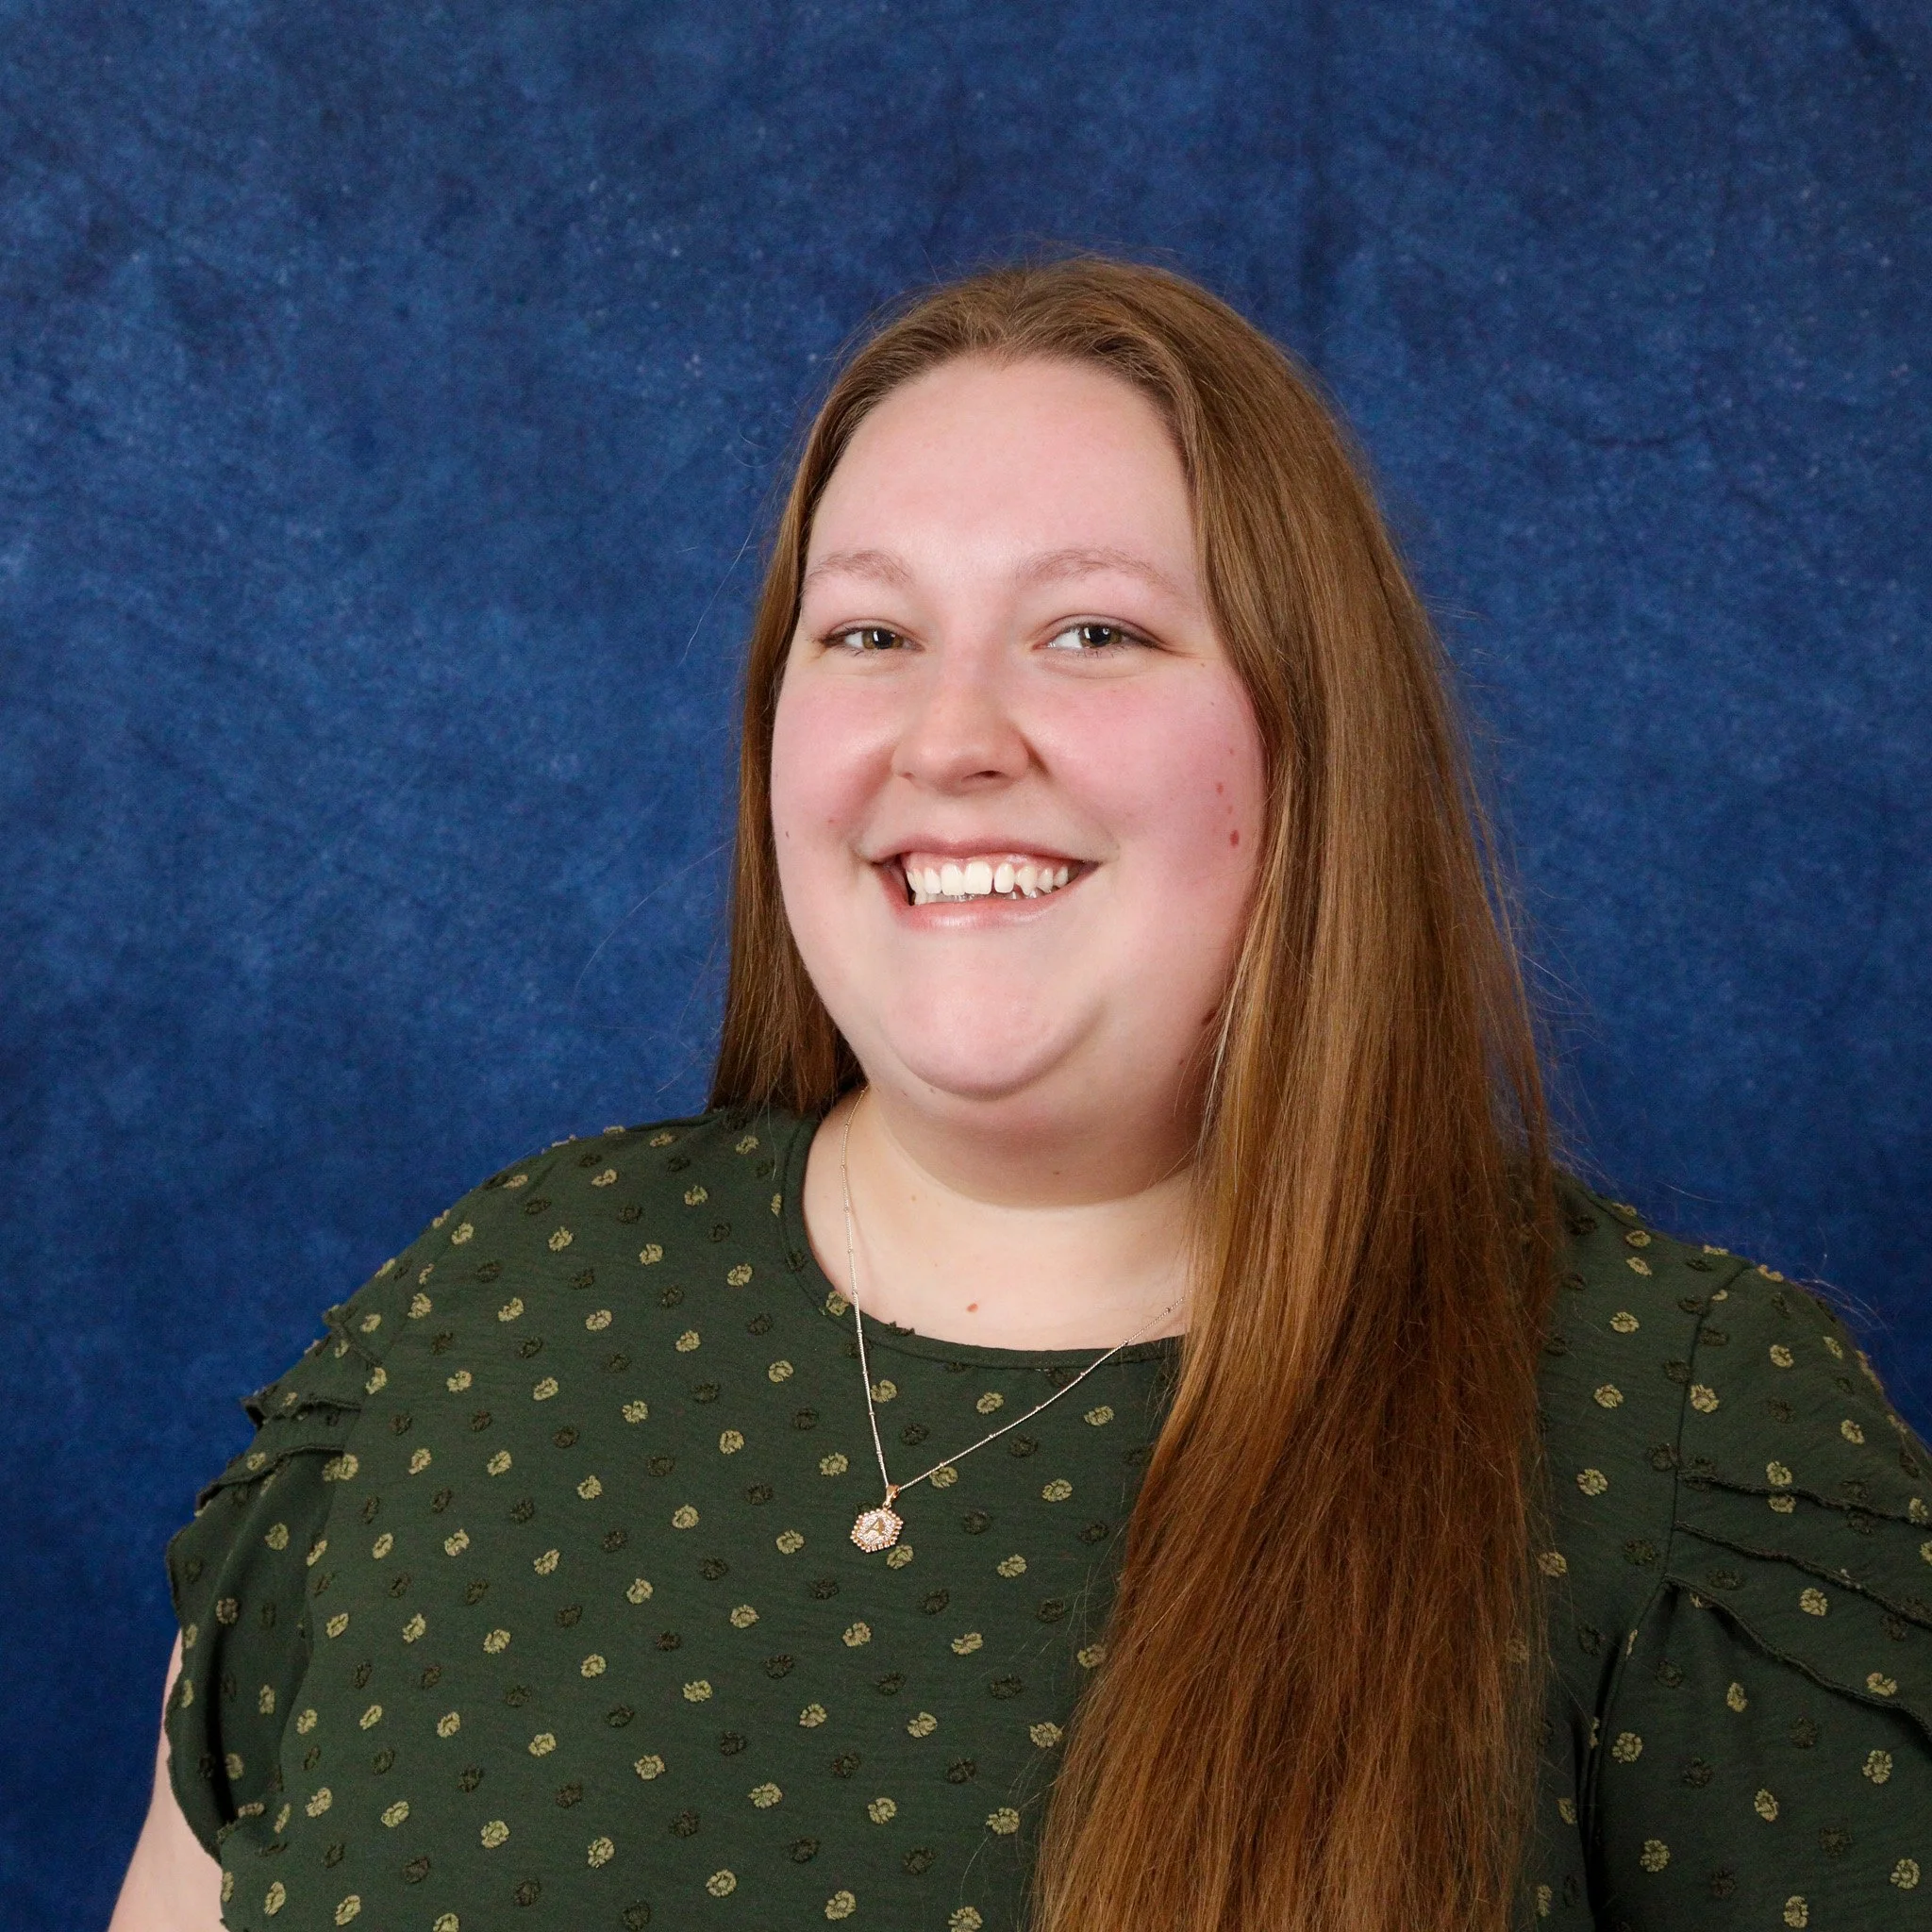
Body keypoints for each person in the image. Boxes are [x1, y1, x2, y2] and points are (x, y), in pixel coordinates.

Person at [111, 258, 1931, 1932]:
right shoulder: (483, 1311)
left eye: (1094, 634)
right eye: (870, 636)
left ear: (1317, 743)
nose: (953, 734)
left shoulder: (1675, 1436)